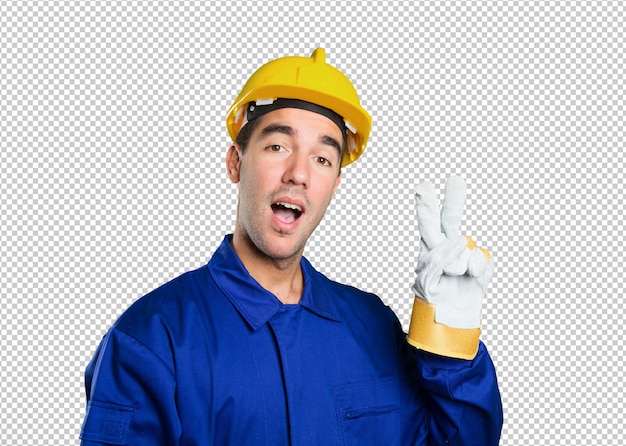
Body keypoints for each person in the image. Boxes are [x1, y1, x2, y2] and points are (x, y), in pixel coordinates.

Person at [80, 48, 503, 445]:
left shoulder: (372, 327)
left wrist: (451, 336)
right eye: (278, 146)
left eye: (322, 158)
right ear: (235, 162)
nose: (299, 173)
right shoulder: (151, 339)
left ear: (334, 184)